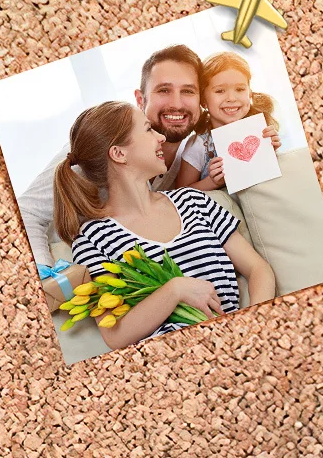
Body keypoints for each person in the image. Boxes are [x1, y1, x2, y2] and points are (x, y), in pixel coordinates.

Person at [42, 100, 274, 349]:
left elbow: (258, 269)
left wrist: (252, 328)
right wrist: (175, 290)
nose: (161, 137)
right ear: (119, 153)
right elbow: (115, 335)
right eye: (148, 130)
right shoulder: (92, 238)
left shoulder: (193, 201)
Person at [16, 45, 207, 267]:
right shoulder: (97, 146)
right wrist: (48, 277)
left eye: (188, 91)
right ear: (141, 99)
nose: (176, 103)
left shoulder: (195, 154)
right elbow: (26, 213)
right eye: (164, 90)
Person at [173, 50, 282, 188]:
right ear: (203, 100)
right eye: (220, 91)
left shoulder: (259, 131)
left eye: (240, 89)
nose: (231, 98)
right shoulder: (199, 145)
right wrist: (211, 182)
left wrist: (272, 149)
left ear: (249, 93)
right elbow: (181, 192)